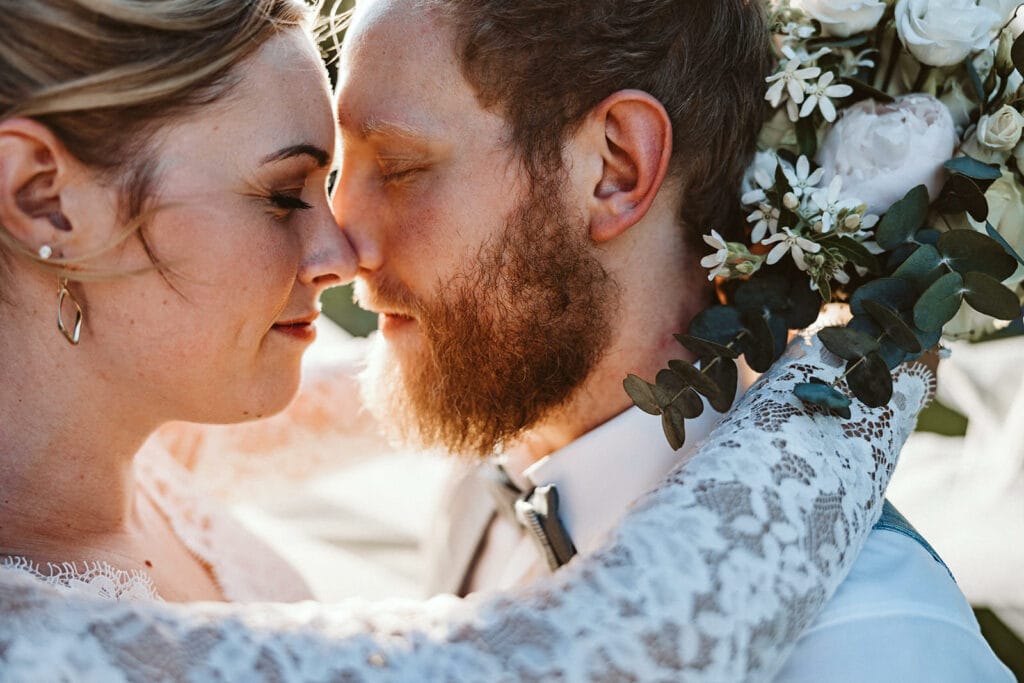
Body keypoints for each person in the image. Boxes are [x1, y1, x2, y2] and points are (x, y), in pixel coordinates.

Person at [0, 0, 1005, 681]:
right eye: (283, 191)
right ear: (43, 200)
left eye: (390, 165)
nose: (339, 244)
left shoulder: (876, 647)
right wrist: (871, 349)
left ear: (615, 168)